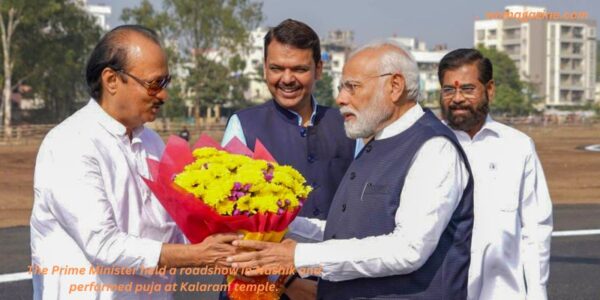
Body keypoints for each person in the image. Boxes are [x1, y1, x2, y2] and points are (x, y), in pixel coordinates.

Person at [227, 40, 475, 299]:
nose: (341, 99)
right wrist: (275, 225)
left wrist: (297, 256)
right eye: (341, 87)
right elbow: (349, 232)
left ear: (395, 86)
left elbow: (407, 249)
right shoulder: (376, 143)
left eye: (352, 87)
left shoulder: (433, 148)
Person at [30, 25, 238, 300]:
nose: (163, 95)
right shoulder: (71, 143)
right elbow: (102, 244)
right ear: (111, 80)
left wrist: (233, 231)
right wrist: (196, 256)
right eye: (154, 84)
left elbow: (172, 228)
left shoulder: (152, 143)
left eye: (165, 83)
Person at [221, 19, 358, 298]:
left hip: (335, 283)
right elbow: (226, 225)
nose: (286, 79)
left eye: (299, 69)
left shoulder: (349, 126)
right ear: (264, 68)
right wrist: (287, 283)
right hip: (259, 288)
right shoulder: (243, 126)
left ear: (319, 69)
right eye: (276, 68)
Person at [437, 48, 553, 300]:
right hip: (440, 290)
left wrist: (537, 292)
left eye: (467, 89)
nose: (457, 98)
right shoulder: (428, 145)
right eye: (449, 90)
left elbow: (535, 228)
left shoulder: (517, 146)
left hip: (503, 292)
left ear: (489, 90)